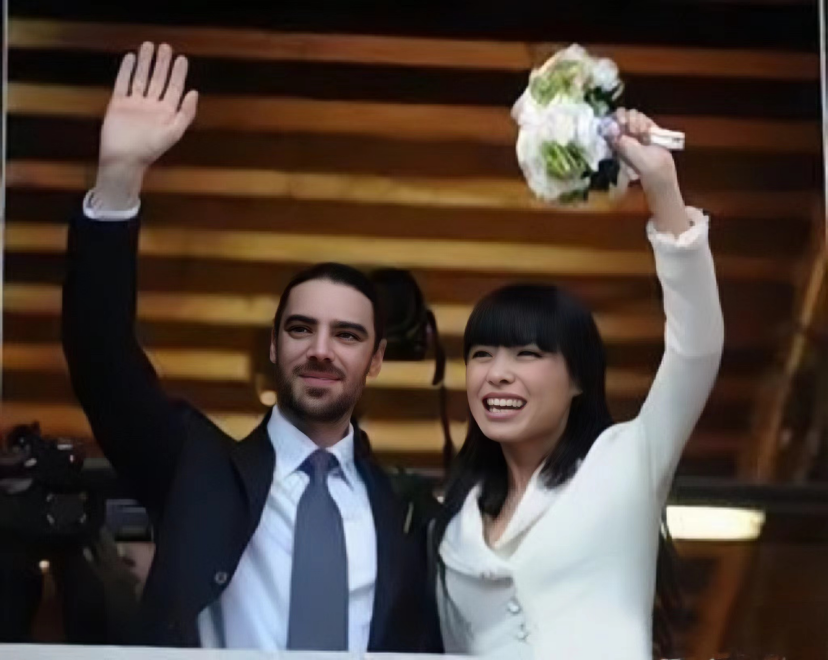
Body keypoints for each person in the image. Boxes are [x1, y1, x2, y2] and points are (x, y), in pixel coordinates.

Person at [61, 42, 442, 652]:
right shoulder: (196, 471)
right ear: (273, 345)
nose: (320, 349)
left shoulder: (404, 508)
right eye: (300, 329)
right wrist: (118, 180)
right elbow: (101, 356)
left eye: (346, 335)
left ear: (375, 361)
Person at [432, 109, 724, 659]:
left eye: (527, 354)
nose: (497, 372)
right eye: (482, 355)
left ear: (579, 380)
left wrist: (661, 185)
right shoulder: (451, 521)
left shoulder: (626, 460)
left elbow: (697, 348)